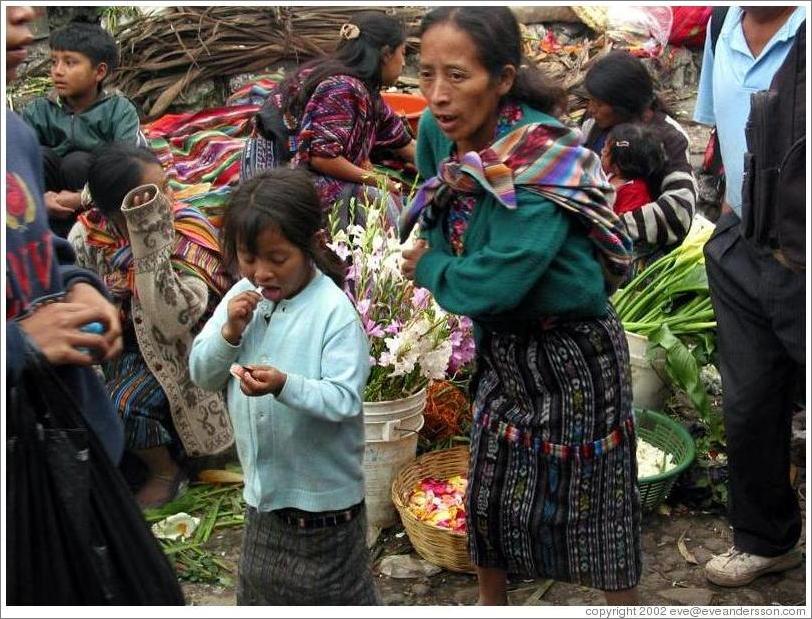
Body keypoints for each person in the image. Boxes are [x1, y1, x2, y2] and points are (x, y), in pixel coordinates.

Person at [400, 6, 640, 605]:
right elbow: (437, 198)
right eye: (425, 74)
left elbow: (497, 282)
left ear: (503, 78)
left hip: (573, 353)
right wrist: (439, 240)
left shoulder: (540, 157)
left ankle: (624, 607)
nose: (436, 95)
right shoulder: (439, 130)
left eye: (457, 76)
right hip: (504, 347)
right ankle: (493, 603)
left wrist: (429, 266)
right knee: (490, 489)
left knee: (595, 502)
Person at [188, 168, 376, 605]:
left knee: (337, 600)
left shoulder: (333, 312)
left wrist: (284, 386)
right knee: (261, 596)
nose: (261, 272)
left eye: (277, 258)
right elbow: (202, 372)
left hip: (327, 508)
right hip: (263, 498)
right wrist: (229, 333)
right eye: (248, 258)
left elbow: (344, 399)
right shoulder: (241, 299)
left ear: (310, 243)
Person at [693, 5, 806, 587]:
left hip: (804, 253)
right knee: (750, 403)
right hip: (744, 242)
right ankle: (768, 540)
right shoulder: (721, 26)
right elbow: (721, 129)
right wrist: (732, 217)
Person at [67, 143, 234, 508]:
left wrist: (148, 248)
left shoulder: (184, 228)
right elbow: (77, 299)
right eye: (148, 197)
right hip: (121, 348)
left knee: (121, 404)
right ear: (113, 213)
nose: (166, 201)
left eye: (165, 187)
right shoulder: (88, 237)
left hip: (185, 349)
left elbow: (172, 321)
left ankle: (165, 470)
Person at [6, 5, 124, 468]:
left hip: (68, 446)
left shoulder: (13, 136)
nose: (24, 11)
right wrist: (19, 345)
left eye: (69, 62)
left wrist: (78, 286)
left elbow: (36, 254)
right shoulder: (35, 117)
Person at [241, 11, 415, 229]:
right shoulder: (342, 87)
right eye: (403, 53)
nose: (404, 62)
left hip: (299, 174)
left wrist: (443, 170)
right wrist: (377, 181)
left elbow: (403, 142)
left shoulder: (367, 93)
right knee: (375, 200)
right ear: (386, 54)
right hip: (272, 181)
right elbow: (322, 158)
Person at [21, 20, 142, 238]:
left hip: (96, 197)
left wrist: (81, 198)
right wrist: (40, 198)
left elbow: (128, 168)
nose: (57, 71)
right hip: (47, 202)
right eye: (54, 62)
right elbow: (16, 163)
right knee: (39, 155)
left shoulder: (118, 110)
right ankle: (48, 237)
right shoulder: (39, 110)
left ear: (99, 72)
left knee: (76, 163)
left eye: (70, 63)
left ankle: (87, 235)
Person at [581, 50, 697, 273]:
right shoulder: (594, 124)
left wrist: (607, 226)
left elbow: (679, 211)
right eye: (591, 100)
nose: (590, 109)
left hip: (636, 251)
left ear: (624, 105)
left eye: (598, 103)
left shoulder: (669, 137)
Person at [600, 123, 666, 216]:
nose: (601, 152)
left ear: (619, 164)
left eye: (605, 151)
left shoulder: (635, 191)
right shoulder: (609, 175)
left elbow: (625, 221)